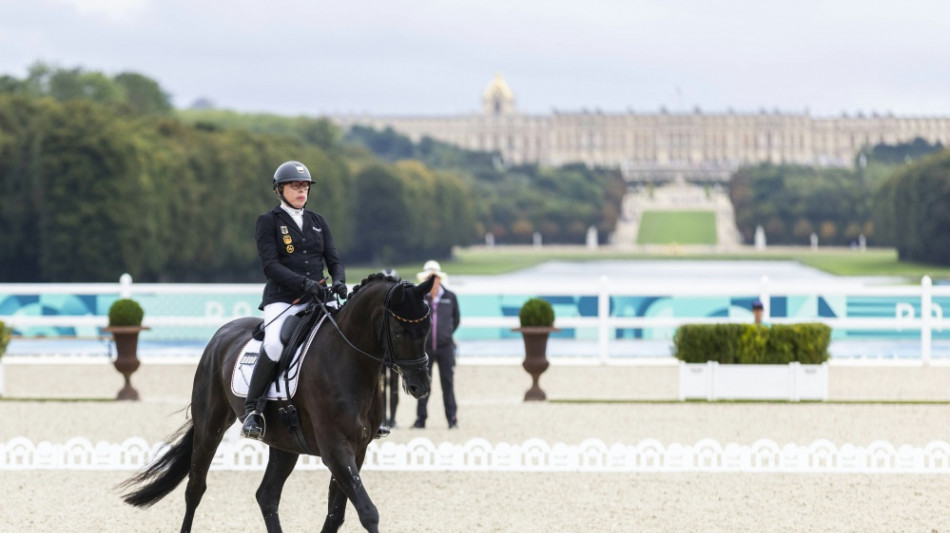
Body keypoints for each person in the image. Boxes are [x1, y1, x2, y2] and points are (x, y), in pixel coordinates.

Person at [241, 160, 348, 440]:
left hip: (319, 297)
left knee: (348, 337)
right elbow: (270, 266)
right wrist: (304, 283)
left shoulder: (318, 221)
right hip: (284, 299)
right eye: (295, 185)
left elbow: (334, 260)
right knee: (275, 344)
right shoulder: (269, 221)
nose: (302, 190)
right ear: (280, 190)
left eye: (305, 186)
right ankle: (254, 410)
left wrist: (339, 281)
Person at [412, 260, 461, 429]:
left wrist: (445, 335)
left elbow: (456, 320)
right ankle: (421, 419)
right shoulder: (419, 298)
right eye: (429, 278)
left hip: (445, 347)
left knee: (447, 384)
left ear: (439, 279)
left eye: (435, 277)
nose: (432, 281)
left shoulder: (450, 297)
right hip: (424, 348)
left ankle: (452, 419)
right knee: (423, 384)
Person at [380, 268, 400, 428]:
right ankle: (382, 419)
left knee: (394, 386)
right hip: (379, 354)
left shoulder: (399, 307)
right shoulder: (378, 307)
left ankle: (392, 418)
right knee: (380, 387)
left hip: (393, 354)